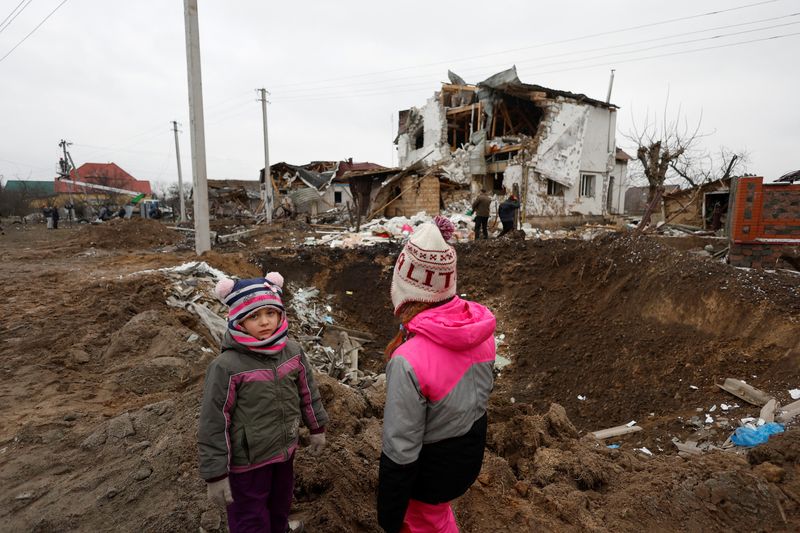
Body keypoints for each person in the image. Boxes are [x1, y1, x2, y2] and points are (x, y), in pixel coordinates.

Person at [378, 217, 497, 533]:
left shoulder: (408, 360)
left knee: (421, 522)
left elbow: (400, 450)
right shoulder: (481, 329)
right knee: (437, 517)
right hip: (467, 456)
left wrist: (388, 515)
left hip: (429, 473)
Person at [199, 272, 328, 533]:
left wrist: (317, 428)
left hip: (284, 453)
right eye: (254, 316)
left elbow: (308, 392)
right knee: (250, 519)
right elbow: (214, 420)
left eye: (270, 313)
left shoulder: (292, 351)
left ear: (280, 314)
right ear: (238, 320)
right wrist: (216, 473)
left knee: (279, 508)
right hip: (246, 464)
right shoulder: (227, 366)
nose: (265, 322)